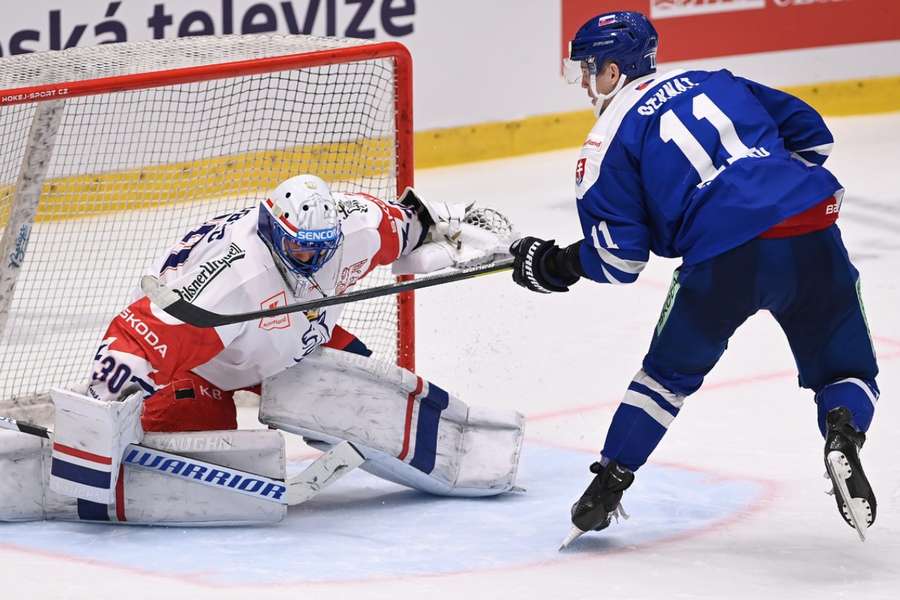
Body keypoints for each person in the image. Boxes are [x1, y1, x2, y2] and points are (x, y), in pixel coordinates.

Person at [509, 11, 879, 543]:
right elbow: (813, 137)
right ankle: (842, 431)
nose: (587, 85)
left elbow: (620, 261)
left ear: (613, 72)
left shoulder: (604, 142)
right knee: (848, 370)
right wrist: (764, 189)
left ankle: (608, 484)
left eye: (589, 71)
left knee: (664, 380)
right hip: (807, 223)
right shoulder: (718, 81)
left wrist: (558, 265)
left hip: (723, 259)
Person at [86, 174, 506, 433]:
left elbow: (417, 223)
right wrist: (96, 413)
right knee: (196, 440)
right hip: (204, 363)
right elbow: (143, 335)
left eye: (322, 250)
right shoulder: (235, 276)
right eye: (300, 249)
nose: (313, 260)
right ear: (271, 227)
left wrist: (462, 235)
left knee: (371, 404)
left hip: (296, 339)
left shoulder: (358, 226)